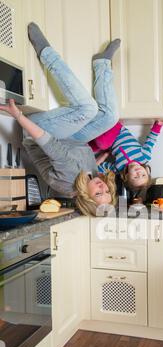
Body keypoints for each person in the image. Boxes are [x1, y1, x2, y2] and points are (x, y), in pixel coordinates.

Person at [0, 23, 121, 216]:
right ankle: (102, 64)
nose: (102, 186)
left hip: (41, 134)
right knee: (110, 117)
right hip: (71, 138)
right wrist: (103, 158)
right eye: (106, 190)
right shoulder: (89, 179)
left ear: (85, 197)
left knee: (87, 108)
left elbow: (47, 142)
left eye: (99, 193)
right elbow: (82, 161)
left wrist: (18, 116)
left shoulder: (69, 178)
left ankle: (44, 51)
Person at [89, 120, 163, 199]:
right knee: (103, 144)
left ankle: (100, 126)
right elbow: (151, 141)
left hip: (109, 140)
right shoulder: (144, 156)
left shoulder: (118, 167)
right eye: (143, 175)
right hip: (119, 131)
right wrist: (158, 126)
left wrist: (100, 173)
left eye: (135, 177)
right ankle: (116, 124)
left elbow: (102, 167)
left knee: (91, 148)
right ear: (146, 171)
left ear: (127, 176)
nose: (139, 173)